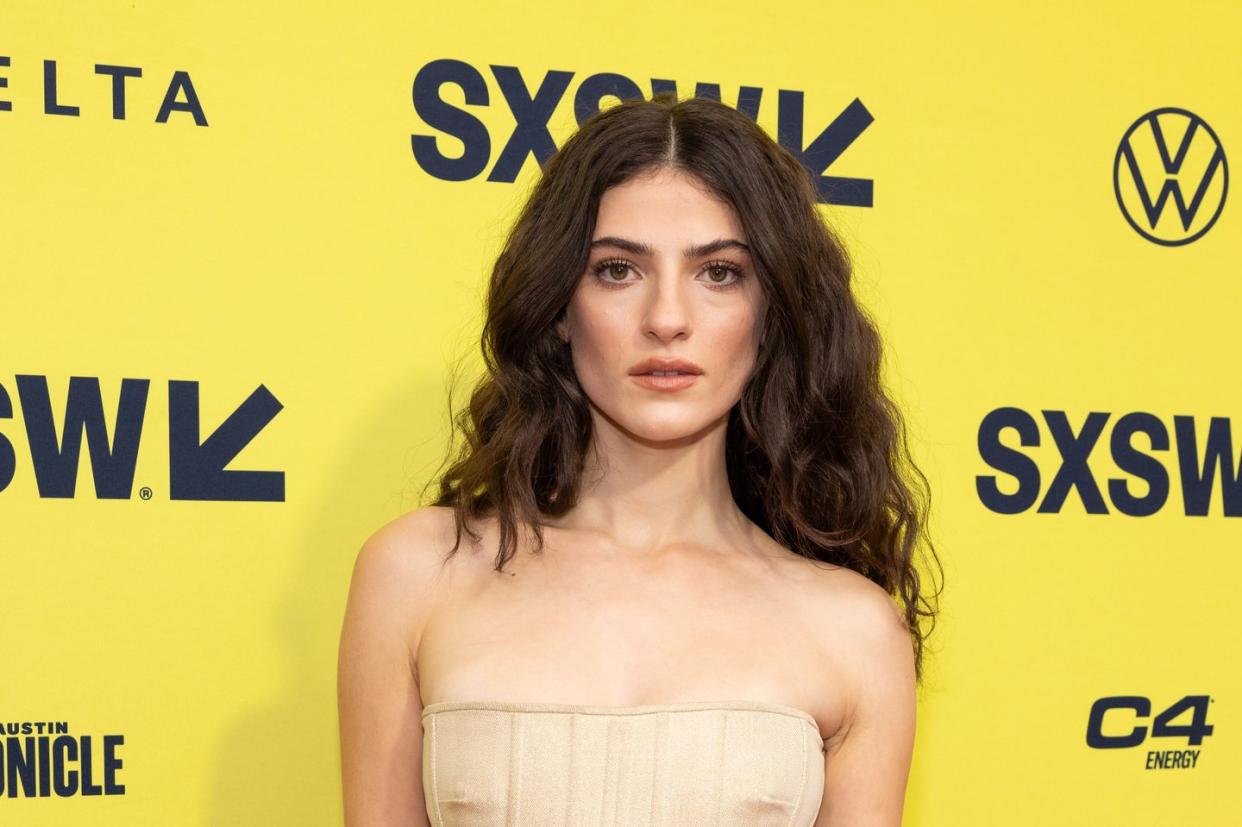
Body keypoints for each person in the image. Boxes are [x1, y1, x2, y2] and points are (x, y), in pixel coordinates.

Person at [338, 92, 942, 826]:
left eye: (719, 272)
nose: (666, 319)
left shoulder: (853, 629)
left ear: (771, 313)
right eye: (618, 270)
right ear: (560, 306)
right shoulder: (417, 574)